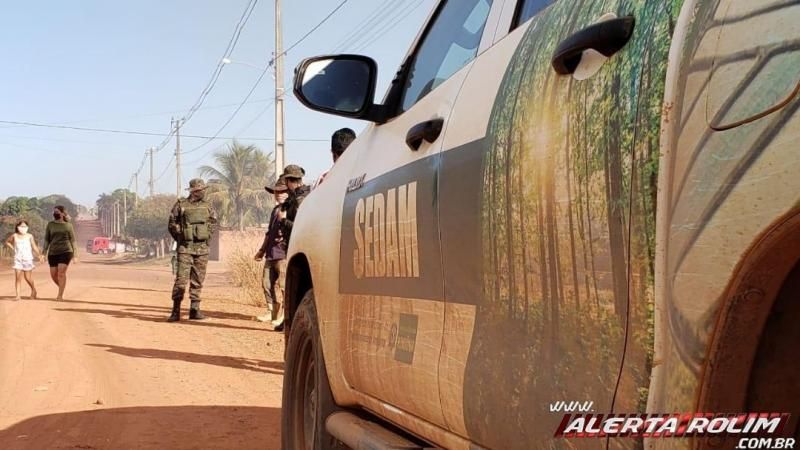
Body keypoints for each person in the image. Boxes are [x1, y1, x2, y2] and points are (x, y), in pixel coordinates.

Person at [167, 178, 218, 322]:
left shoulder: (208, 206)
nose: (202, 192)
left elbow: (213, 223)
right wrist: (181, 237)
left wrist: (205, 235)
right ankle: (175, 311)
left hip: (202, 249)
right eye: (199, 190)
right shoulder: (180, 205)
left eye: (203, 190)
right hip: (185, 249)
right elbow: (171, 224)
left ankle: (194, 310)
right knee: (181, 280)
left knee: (198, 280)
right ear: (193, 191)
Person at [254, 176, 289, 328]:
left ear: (288, 192)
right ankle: (272, 311)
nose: (278, 194)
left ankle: (284, 316)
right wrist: (261, 250)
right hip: (271, 253)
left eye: (282, 192)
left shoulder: (291, 209)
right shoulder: (275, 210)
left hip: (283, 254)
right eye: (276, 192)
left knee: (284, 287)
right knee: (266, 284)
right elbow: (269, 233)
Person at [44, 205, 78, 300]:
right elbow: (47, 239)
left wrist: (75, 255)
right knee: (53, 274)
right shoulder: (50, 224)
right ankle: (62, 288)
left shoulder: (68, 226)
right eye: (54, 212)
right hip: (53, 252)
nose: (55, 213)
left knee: (61, 273)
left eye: (57, 212)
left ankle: (60, 295)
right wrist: (43, 253)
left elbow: (73, 241)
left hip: (66, 251)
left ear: (63, 213)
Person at [4, 220, 43, 300]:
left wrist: (39, 255)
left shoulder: (29, 236)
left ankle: (33, 290)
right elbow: (7, 242)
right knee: (18, 277)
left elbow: (34, 246)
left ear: (27, 227)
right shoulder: (14, 235)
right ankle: (18, 295)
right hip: (18, 258)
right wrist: (13, 248)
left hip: (27, 259)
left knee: (27, 277)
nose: (23, 228)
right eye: (21, 226)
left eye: (25, 226)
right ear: (17, 227)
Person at [280, 164, 311, 242]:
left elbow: (301, 228)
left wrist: (283, 220)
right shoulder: (306, 194)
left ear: (288, 181)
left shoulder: (299, 199)